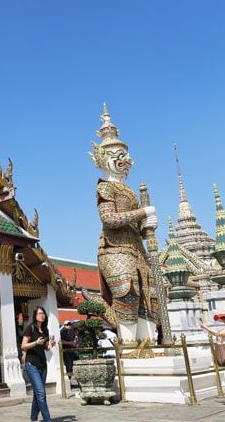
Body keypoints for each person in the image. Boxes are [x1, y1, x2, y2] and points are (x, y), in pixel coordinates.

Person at [91, 104, 158, 343]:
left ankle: (149, 348)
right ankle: (130, 351)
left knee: (149, 302)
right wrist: (142, 212)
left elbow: (136, 227)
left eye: (127, 156)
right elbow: (108, 219)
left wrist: (147, 225)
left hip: (137, 251)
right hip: (115, 249)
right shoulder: (105, 186)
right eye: (120, 156)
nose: (128, 160)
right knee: (127, 297)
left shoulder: (129, 191)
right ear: (104, 159)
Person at [21, 306, 56, 422]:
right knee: (41, 393)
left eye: (43, 313)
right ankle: (47, 420)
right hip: (31, 364)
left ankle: (33, 418)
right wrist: (36, 342)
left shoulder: (45, 330)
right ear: (35, 316)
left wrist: (50, 344)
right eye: (39, 313)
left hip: (42, 365)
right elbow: (23, 345)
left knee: (38, 393)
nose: (42, 315)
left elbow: (45, 347)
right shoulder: (30, 328)